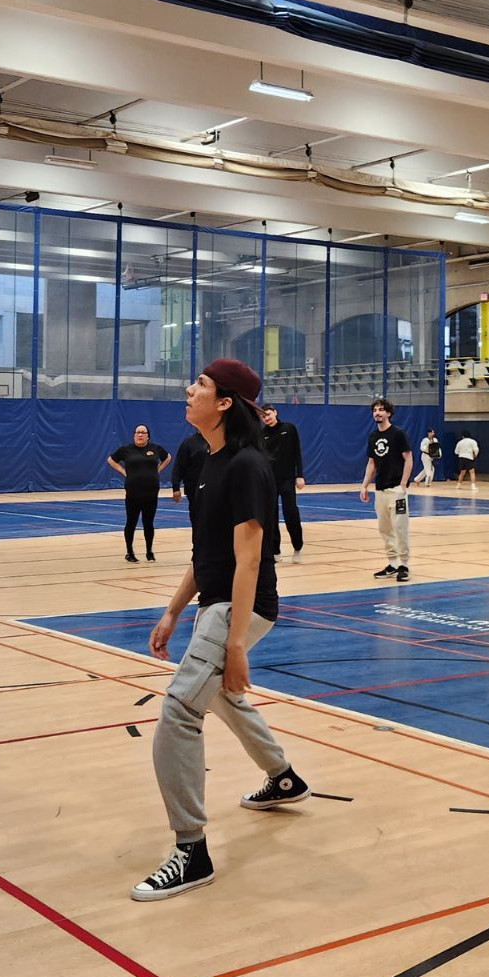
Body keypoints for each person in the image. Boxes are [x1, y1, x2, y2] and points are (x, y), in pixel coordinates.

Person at [132, 359, 309, 902]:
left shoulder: (248, 465)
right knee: (222, 697)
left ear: (225, 402)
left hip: (243, 604)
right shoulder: (207, 461)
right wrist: (172, 610)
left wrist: (235, 644)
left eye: (201, 385)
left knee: (181, 709)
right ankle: (283, 776)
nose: (190, 390)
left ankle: (192, 850)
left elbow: (248, 559)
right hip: (217, 600)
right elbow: (204, 555)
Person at [359, 399, 412, 582]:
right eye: (375, 410)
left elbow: (408, 458)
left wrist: (403, 484)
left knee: (400, 528)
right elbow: (371, 463)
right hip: (380, 490)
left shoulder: (398, 434)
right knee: (385, 529)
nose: (377, 413)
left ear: (389, 413)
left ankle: (404, 564)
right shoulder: (373, 437)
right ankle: (392, 563)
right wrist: (365, 485)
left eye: (381, 410)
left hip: (396, 490)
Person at [108, 425, 171, 562]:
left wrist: (157, 470)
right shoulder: (126, 450)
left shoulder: (155, 449)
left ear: (148, 435)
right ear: (134, 435)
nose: (140, 435)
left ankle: (149, 552)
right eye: (138, 432)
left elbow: (168, 457)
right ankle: (130, 552)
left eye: (143, 433)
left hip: (151, 492)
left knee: (148, 523)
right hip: (133, 492)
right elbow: (111, 460)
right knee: (131, 522)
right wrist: (124, 472)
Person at [260, 404, 306, 562]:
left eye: (268, 414)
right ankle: (275, 551)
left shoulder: (289, 428)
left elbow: (297, 452)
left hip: (287, 479)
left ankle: (297, 547)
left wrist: (299, 475)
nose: (266, 418)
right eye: (263, 416)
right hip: (268, 481)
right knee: (270, 516)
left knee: (291, 513)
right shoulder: (261, 434)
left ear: (275, 413)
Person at [170, 431, 208, 520]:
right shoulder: (189, 442)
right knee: (197, 518)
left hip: (215, 487)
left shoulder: (219, 440)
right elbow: (179, 465)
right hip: (194, 488)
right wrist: (176, 487)